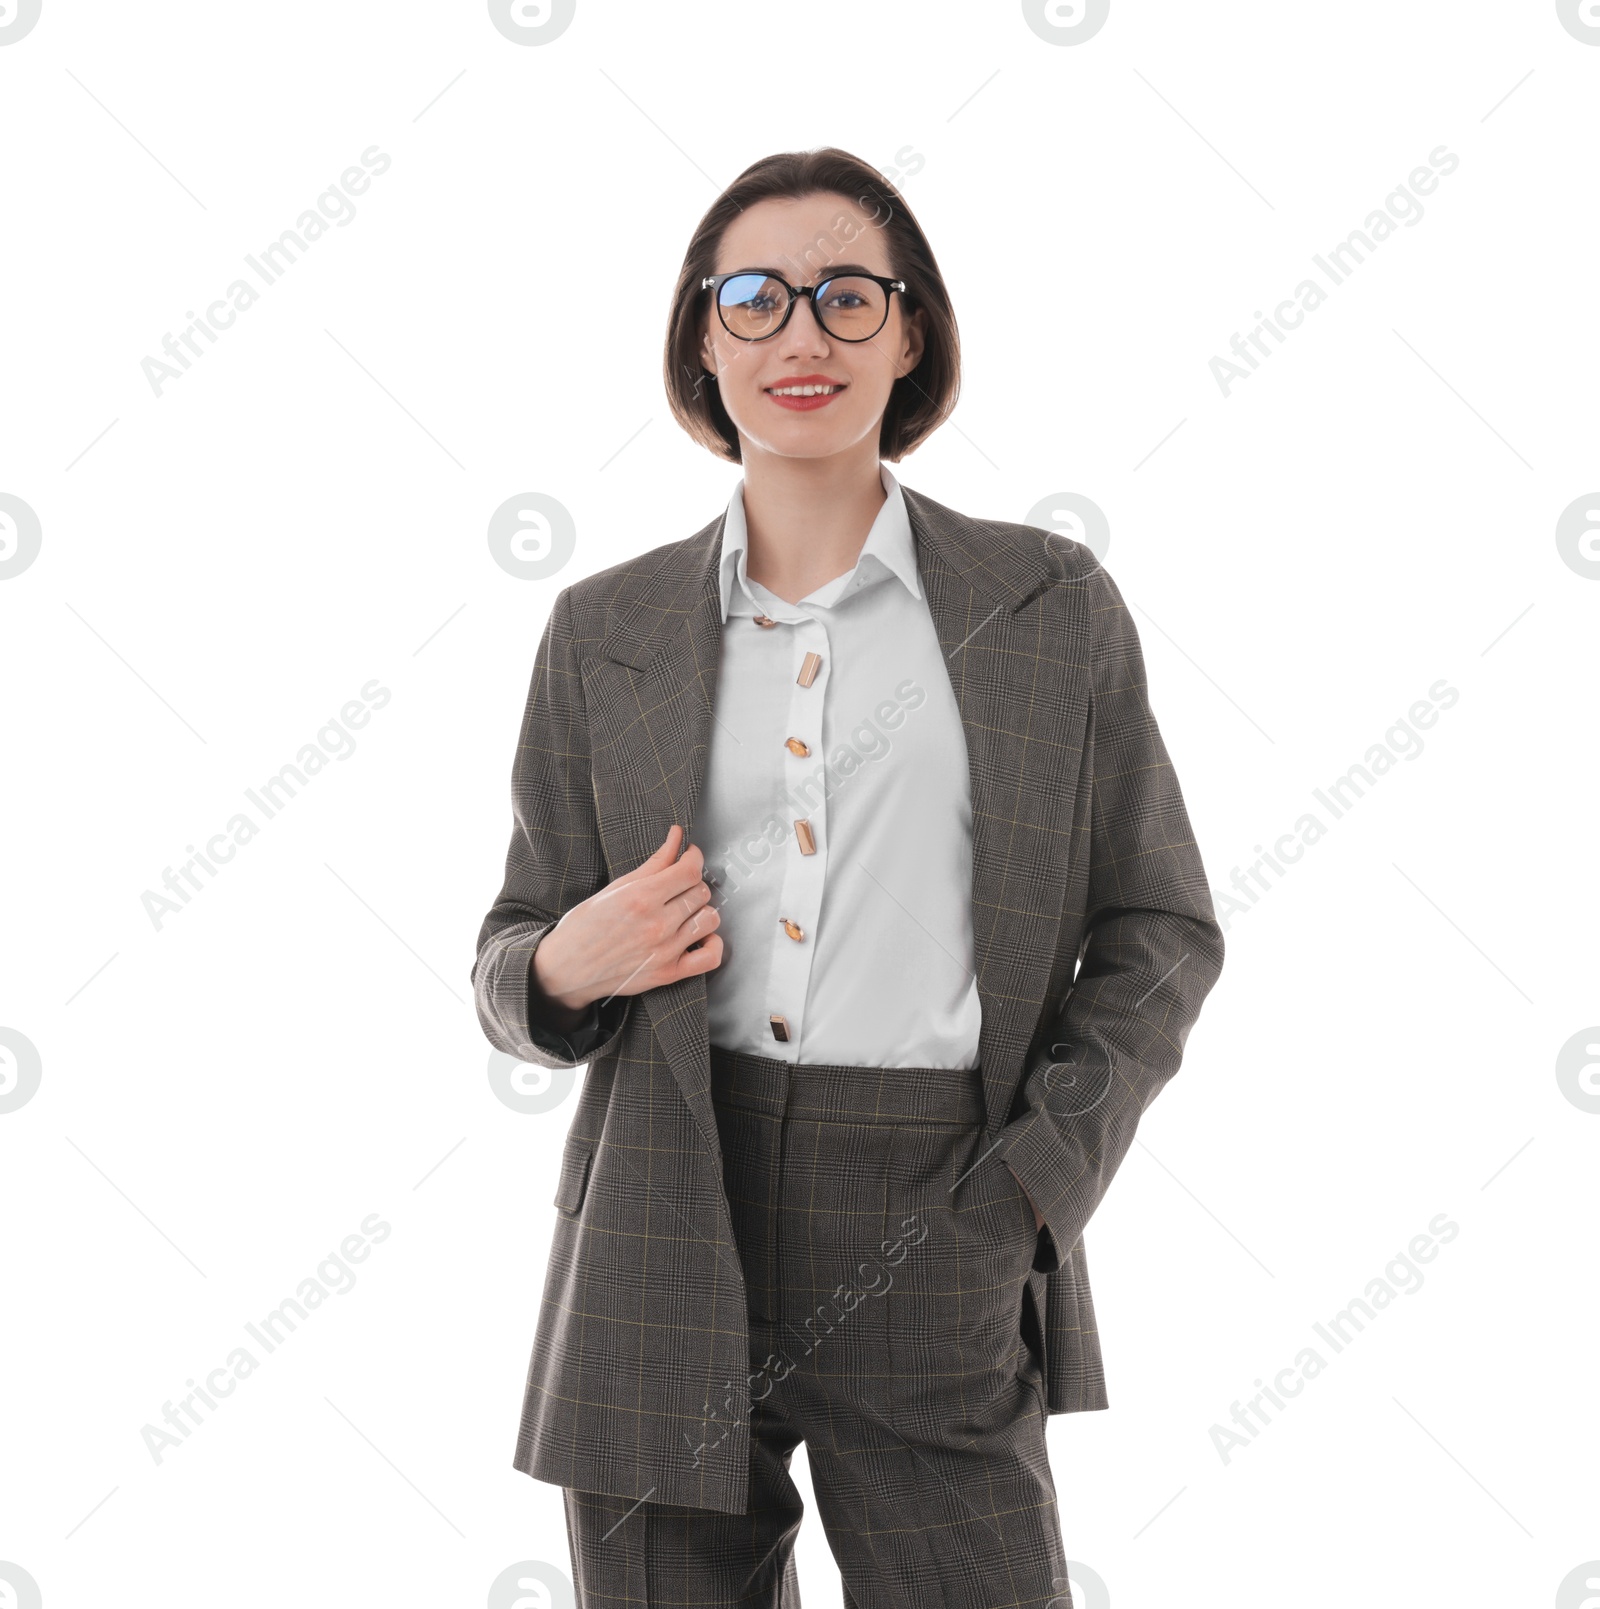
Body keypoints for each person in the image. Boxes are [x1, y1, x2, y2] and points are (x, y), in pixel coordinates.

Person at [472, 145, 1225, 1607]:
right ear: (703, 336)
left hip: (937, 1207)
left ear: (910, 332)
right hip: (658, 1207)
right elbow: (511, 955)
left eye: (844, 296)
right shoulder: (601, 629)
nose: (798, 334)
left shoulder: (1046, 605)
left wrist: (1027, 1194)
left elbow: (1161, 929)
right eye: (751, 298)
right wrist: (571, 960)